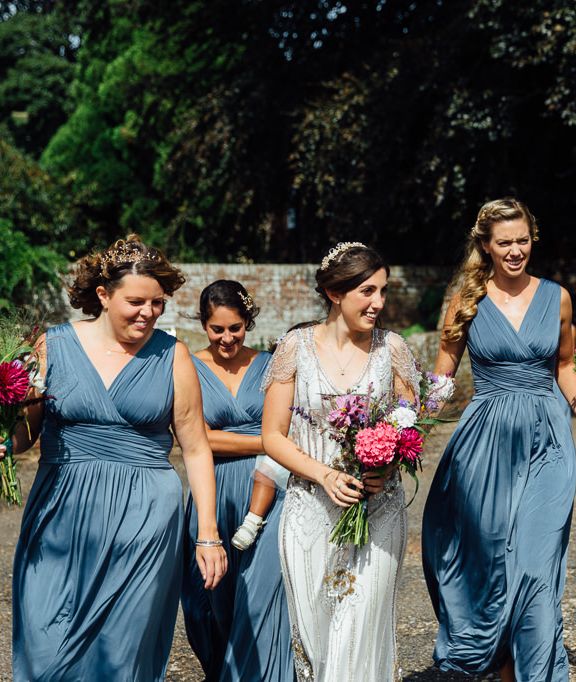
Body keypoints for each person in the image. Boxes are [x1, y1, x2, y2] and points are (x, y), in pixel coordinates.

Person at [9, 235, 227, 681]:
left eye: (158, 304)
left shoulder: (172, 356)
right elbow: (24, 434)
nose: (148, 313)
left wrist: (208, 534)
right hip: (61, 516)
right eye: (136, 302)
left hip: (145, 518)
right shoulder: (50, 346)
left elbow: (196, 446)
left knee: (122, 648)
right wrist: (3, 435)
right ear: (104, 296)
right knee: (44, 640)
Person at [422, 199, 576, 681]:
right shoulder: (466, 301)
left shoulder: (558, 297)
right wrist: (403, 425)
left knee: (534, 563)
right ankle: (504, 667)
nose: (515, 251)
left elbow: (565, 366)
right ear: (485, 245)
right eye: (504, 242)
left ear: (533, 238)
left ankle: (539, 672)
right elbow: (441, 379)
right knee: (490, 565)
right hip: (485, 445)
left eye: (522, 240)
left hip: (548, 439)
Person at [261, 242, 421, 682]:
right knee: (316, 637)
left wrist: (387, 464)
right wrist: (324, 474)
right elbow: (272, 435)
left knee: (357, 629)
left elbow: (411, 427)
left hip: (378, 510)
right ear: (335, 293)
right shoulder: (295, 347)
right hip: (309, 510)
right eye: (367, 291)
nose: (379, 303)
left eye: (383, 291)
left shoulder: (394, 350)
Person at [180, 280, 293, 681]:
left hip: (269, 489)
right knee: (209, 599)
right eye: (217, 329)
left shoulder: (270, 365)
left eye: (235, 328)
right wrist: (266, 441)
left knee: (263, 595)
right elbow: (195, 438)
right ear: (203, 326)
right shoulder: (188, 366)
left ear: (248, 322)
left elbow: (292, 427)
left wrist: (266, 444)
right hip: (211, 490)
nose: (227, 338)